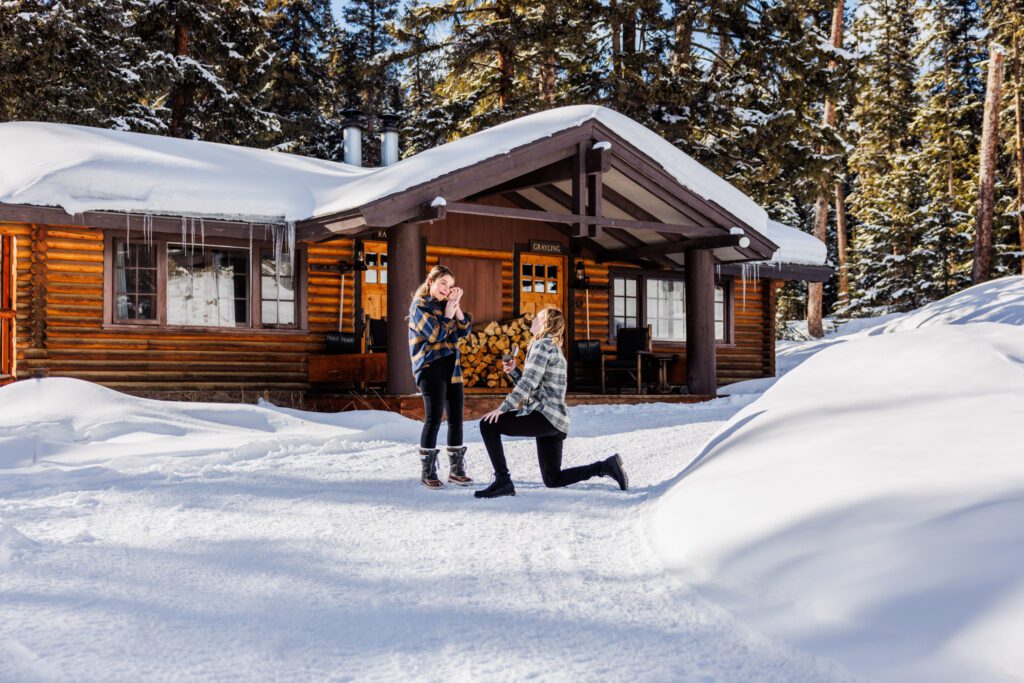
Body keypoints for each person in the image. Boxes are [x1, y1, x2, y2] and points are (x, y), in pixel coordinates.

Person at [476, 305, 628, 499]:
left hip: (545, 416)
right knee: (553, 478)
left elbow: (529, 382)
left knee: (487, 425)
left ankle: (503, 481)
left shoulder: (541, 345)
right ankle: (605, 466)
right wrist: (514, 372)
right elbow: (535, 385)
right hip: (556, 421)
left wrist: (503, 408)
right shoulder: (551, 347)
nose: (532, 320)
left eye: (537, 317)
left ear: (545, 323)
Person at [408, 265, 474, 488]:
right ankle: (428, 471)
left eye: (450, 285)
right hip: (430, 367)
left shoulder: (447, 305)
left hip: (452, 367)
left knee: (456, 419)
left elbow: (465, 330)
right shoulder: (420, 306)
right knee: (434, 419)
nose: (446, 289)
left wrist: (455, 308)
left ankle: (456, 469)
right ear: (431, 282)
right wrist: (447, 314)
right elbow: (435, 334)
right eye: (443, 283)